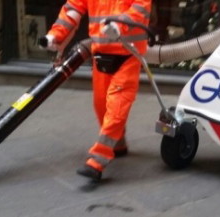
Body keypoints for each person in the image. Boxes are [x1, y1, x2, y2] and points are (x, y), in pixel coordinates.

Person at [39, 0, 152, 181]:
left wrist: (119, 24)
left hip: (128, 53)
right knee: (101, 104)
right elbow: (72, 9)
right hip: (101, 53)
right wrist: (55, 36)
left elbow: (140, 8)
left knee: (117, 104)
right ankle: (118, 143)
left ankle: (98, 159)